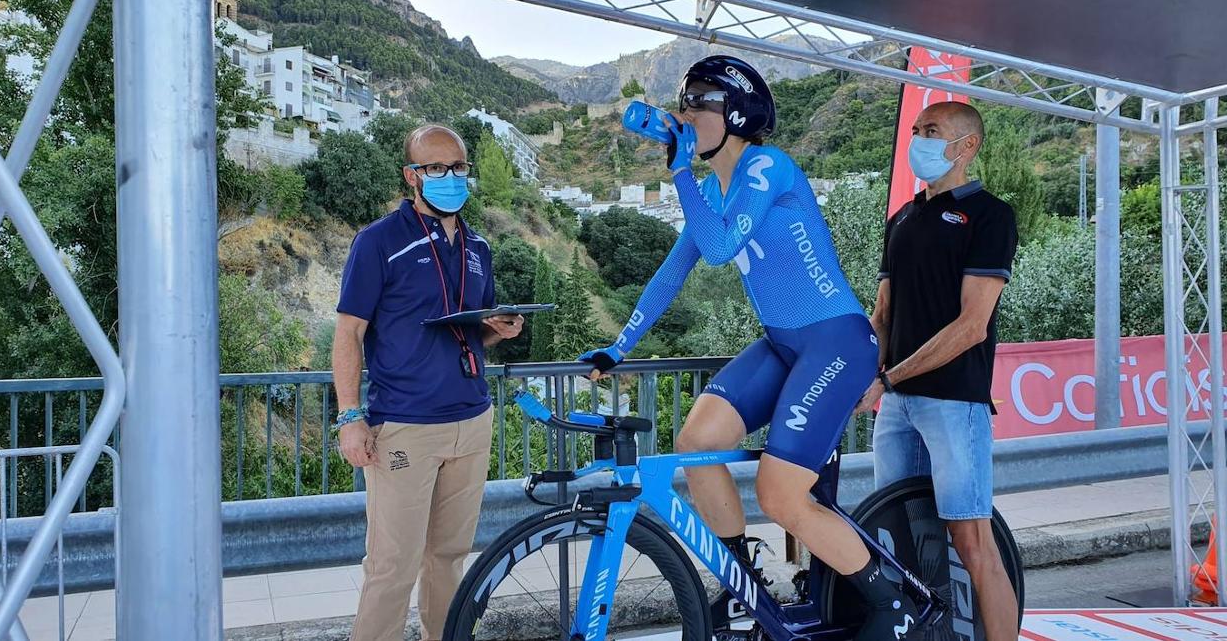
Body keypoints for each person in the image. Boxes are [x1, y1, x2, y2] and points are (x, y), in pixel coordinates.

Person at [580, 55, 917, 639]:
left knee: (781, 496)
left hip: (836, 340)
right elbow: (670, 274)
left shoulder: (768, 167)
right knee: (696, 442)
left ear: (733, 114)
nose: (683, 117)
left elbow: (718, 248)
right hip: (786, 344)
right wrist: (618, 346)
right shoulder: (717, 189)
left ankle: (894, 605)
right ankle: (745, 582)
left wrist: (681, 172)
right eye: (680, 107)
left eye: (695, 105)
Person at [331, 124, 523, 641]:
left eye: (458, 167)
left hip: (471, 420)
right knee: (393, 565)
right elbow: (348, 333)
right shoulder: (378, 242)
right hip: (406, 427)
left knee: (449, 559)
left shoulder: (479, 248)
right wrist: (350, 418)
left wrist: (496, 332)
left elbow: (467, 335)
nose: (449, 177)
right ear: (411, 176)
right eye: (436, 168)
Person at [857, 101, 1019, 641]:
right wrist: (865, 375)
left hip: (953, 401)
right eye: (917, 130)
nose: (920, 139)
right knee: (897, 539)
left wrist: (890, 377)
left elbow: (973, 325)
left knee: (973, 544)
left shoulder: (991, 215)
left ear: (966, 146)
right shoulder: (901, 217)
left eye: (933, 131)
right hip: (896, 404)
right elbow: (881, 314)